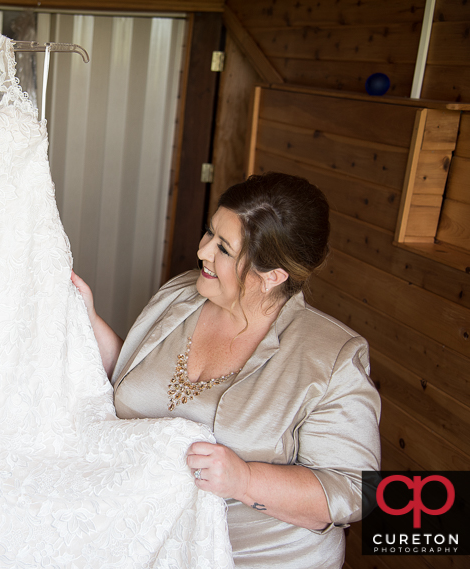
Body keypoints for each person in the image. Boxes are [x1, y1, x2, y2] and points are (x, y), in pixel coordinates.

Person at [72, 172, 381, 568]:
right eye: (208, 233)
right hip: (144, 542)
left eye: (223, 248)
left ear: (272, 276)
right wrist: (87, 316)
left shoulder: (333, 357)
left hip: (253, 560)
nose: (202, 252)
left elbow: (354, 490)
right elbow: (128, 377)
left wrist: (245, 479)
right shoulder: (181, 293)